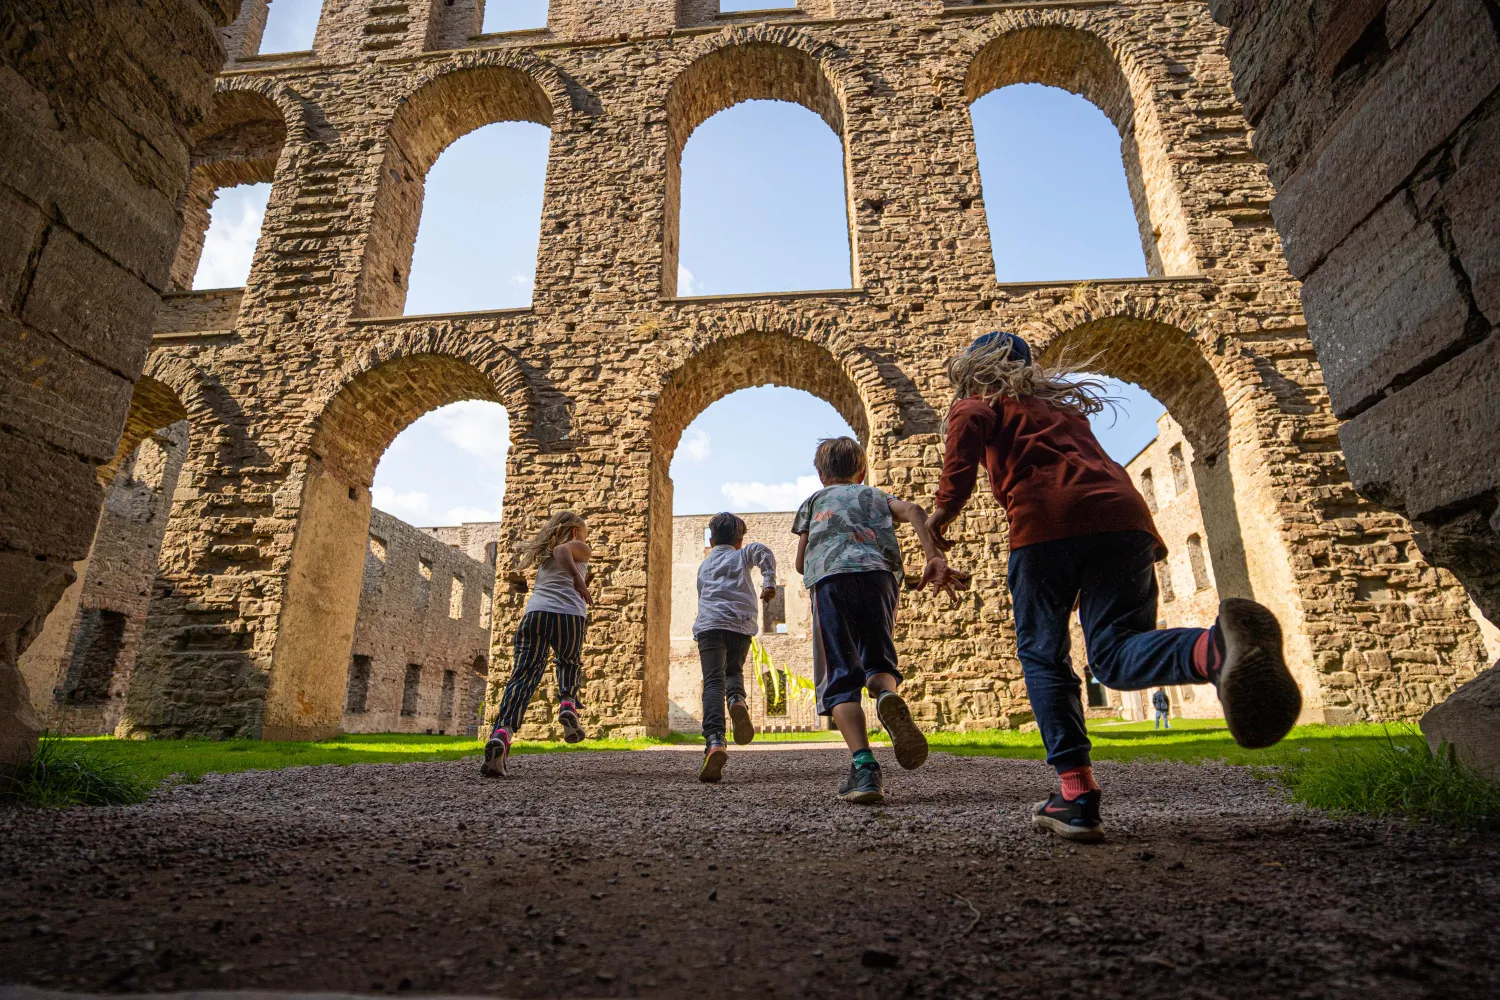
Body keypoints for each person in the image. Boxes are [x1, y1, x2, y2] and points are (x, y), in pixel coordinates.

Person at [927, 332, 1302, 842]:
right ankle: (1214, 649)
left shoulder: (976, 404)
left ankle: (1076, 796)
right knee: (1114, 651)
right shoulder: (1062, 412)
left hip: (1045, 526)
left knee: (1044, 656)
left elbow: (963, 451)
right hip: (1124, 520)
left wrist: (941, 519)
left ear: (972, 369)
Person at [793, 436, 968, 805]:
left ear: (822, 474)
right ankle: (887, 694)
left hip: (831, 581)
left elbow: (799, 561)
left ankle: (865, 768)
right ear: (861, 470)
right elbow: (917, 511)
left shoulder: (813, 501)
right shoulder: (876, 496)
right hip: (879, 577)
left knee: (840, 676)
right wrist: (932, 556)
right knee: (878, 658)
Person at [481, 511, 592, 778]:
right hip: (568, 615)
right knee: (568, 662)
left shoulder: (544, 556)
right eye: (586, 534)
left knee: (523, 677)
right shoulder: (575, 545)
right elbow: (563, 551)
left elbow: (557, 557)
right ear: (575, 531)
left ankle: (502, 733)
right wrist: (580, 582)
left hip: (536, 615)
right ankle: (567, 704)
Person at [693, 512, 778, 783]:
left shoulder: (704, 566)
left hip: (710, 627)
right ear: (740, 541)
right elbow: (763, 552)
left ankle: (715, 741)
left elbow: (701, 596)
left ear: (711, 539)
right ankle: (737, 700)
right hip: (739, 626)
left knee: (713, 682)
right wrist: (768, 582)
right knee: (733, 672)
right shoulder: (743, 555)